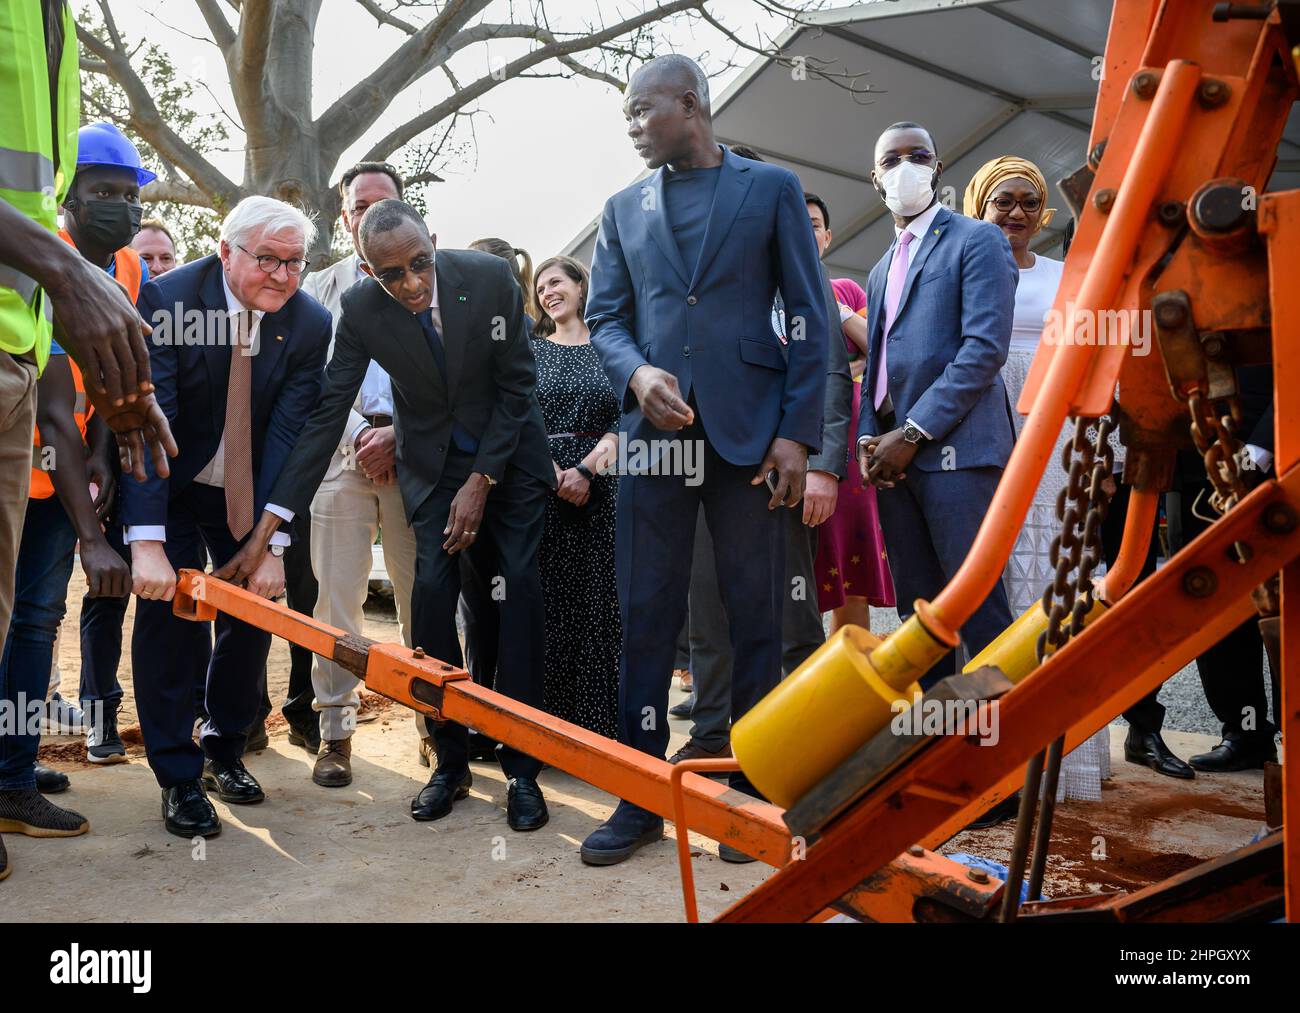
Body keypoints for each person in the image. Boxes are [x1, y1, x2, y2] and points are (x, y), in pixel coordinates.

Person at [232, 198, 555, 833]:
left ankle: (522, 769)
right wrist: (270, 525)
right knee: (430, 600)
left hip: (509, 464)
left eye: (420, 265)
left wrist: (482, 480)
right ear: (366, 268)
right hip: (431, 469)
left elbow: (518, 386)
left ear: (434, 243)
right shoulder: (359, 310)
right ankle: (451, 760)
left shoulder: (488, 278)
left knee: (516, 598)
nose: (411, 284)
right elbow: (327, 412)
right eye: (392, 274)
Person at [583, 55, 828, 866]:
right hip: (655, 440)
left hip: (751, 438)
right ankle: (640, 794)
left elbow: (809, 311)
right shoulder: (622, 208)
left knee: (758, 613)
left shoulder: (771, 190)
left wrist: (797, 434)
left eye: (638, 110)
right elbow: (607, 318)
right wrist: (637, 371)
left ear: (689, 105)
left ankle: (752, 798)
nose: (628, 127)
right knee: (646, 616)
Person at [965, 156, 1190, 795]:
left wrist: (1111, 456)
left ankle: (1063, 768)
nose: (1015, 213)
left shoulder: (1069, 278)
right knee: (988, 581)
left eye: (1028, 203)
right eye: (1002, 201)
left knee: (1052, 578)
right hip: (979, 425)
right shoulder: (959, 267)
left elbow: (1102, 365)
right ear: (979, 202)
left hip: (1056, 434)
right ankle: (986, 755)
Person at [123, 195, 331, 839]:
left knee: (252, 614)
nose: (282, 275)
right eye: (267, 259)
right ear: (225, 251)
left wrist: (272, 541)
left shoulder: (308, 322)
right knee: (172, 617)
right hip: (174, 481)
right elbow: (147, 426)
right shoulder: (171, 302)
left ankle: (222, 747)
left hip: (250, 491)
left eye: (295, 262)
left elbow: (290, 435)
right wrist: (147, 542)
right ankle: (179, 776)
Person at [672, 160, 855, 811]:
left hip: (785, 471)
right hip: (708, 471)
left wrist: (823, 463)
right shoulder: (718, 287)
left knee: (791, 610)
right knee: (708, 605)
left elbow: (833, 377)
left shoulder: (809, 295)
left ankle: (802, 738)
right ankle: (713, 734)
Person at [0, 123, 153, 844]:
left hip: (69, 479)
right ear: (67, 197)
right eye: (103, 193)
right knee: (19, 621)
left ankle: (13, 765)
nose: (119, 207)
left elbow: (114, 374)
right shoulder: (45, 264)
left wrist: (105, 456)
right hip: (24, 468)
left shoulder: (126, 268)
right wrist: (93, 537)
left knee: (36, 620)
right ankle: (10, 777)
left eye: (129, 194)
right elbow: (56, 414)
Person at [857, 123, 1015, 688]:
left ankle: (1004, 756)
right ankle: (944, 750)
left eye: (918, 156)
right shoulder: (879, 271)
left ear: (937, 168)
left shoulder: (976, 240)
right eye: (892, 159)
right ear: (874, 179)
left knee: (976, 605)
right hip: (896, 464)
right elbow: (875, 364)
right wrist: (868, 439)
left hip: (958, 455)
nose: (906, 168)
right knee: (919, 614)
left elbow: (983, 350)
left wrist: (915, 432)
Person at [301, 161, 417, 788]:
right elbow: (311, 377)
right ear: (343, 216)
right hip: (341, 457)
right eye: (358, 205)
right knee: (335, 602)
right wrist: (360, 438)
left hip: (413, 456)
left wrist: (400, 435)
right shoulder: (318, 287)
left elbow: (444, 374)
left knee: (419, 597)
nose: (370, 213)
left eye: (383, 202)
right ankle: (335, 733)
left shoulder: (429, 279)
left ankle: (434, 728)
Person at [531, 255, 621, 736]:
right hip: (544, 489)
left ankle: (599, 727)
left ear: (582, 286)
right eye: (541, 288)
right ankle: (550, 727)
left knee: (600, 604)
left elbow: (628, 418)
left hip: (604, 488)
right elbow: (522, 417)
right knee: (549, 604)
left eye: (557, 282)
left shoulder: (611, 347)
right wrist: (555, 474)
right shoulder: (531, 351)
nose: (548, 292)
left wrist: (586, 470)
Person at [806, 192, 895, 633]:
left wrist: (835, 309)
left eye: (815, 223)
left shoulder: (846, 289)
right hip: (790, 440)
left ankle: (851, 675)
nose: (806, 231)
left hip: (849, 435)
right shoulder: (764, 293)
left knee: (850, 560)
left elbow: (875, 348)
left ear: (827, 236)